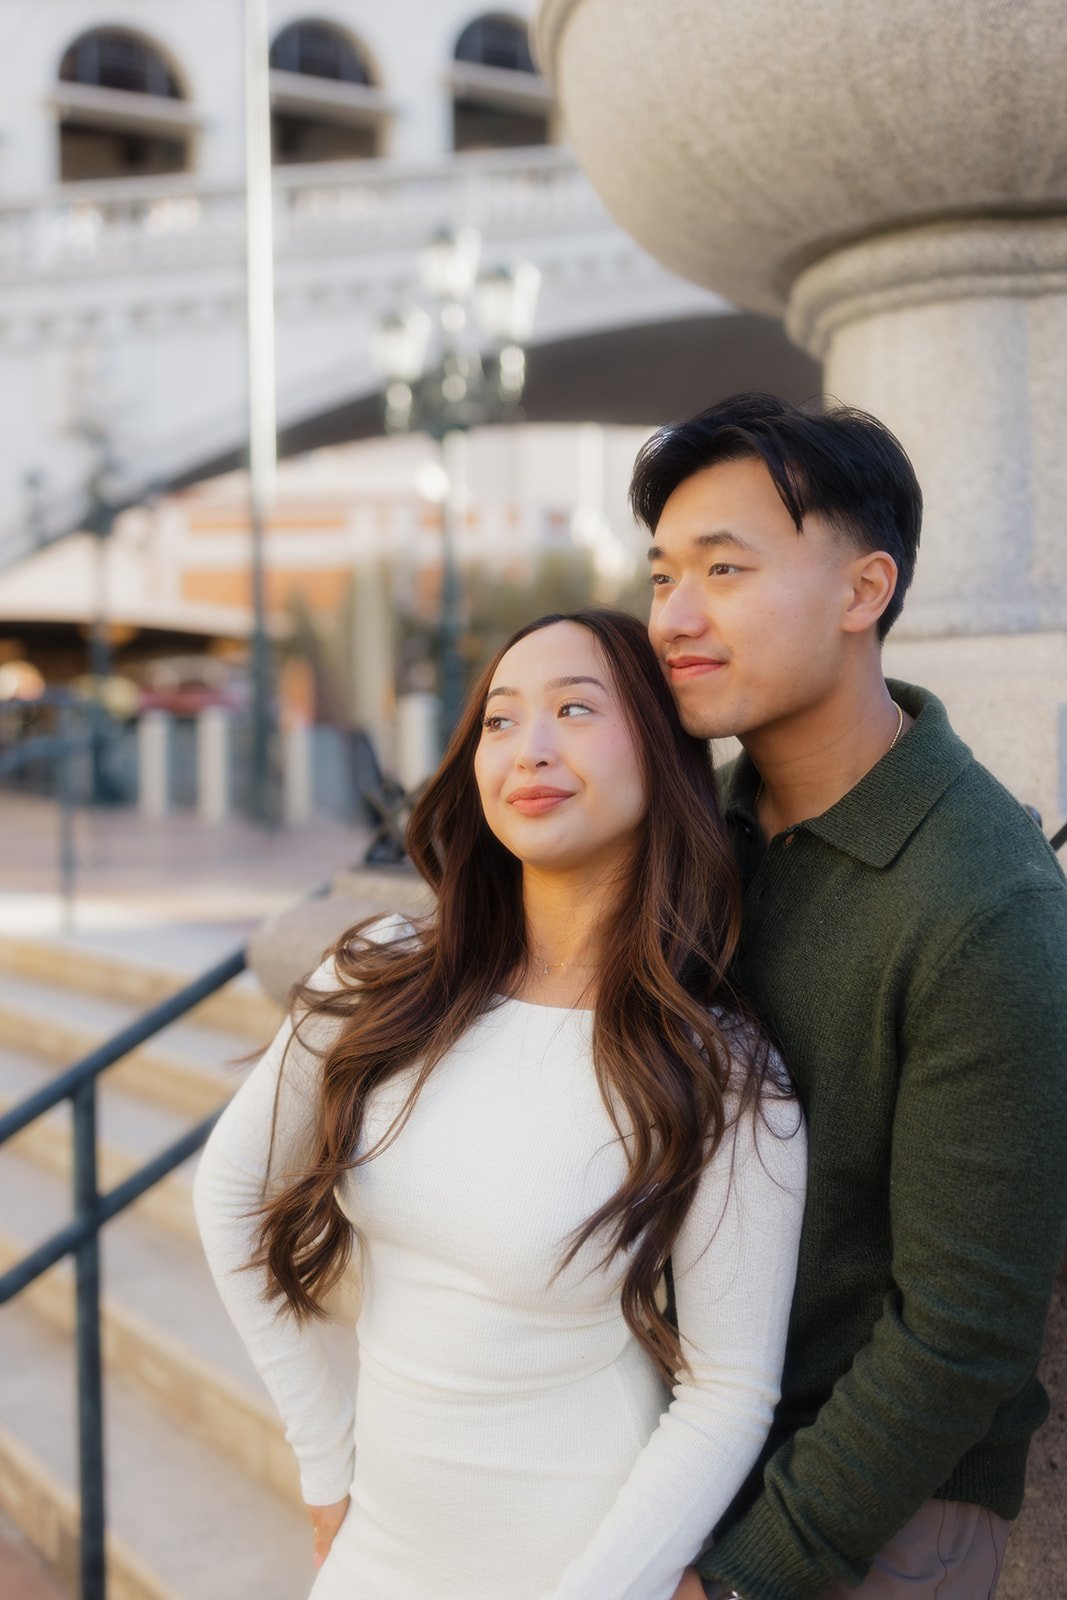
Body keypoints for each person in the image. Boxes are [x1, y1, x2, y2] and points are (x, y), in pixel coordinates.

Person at [193, 609, 806, 1600]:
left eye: (575, 709)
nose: (531, 748)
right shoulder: (381, 973)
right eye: (500, 719)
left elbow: (728, 1389)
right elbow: (230, 1194)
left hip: (576, 1562)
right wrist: (325, 1460)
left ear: (661, 752)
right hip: (371, 1561)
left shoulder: (718, 1064)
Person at [638, 392, 1067, 1600]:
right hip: (668, 1474)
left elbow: (963, 1329)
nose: (673, 616)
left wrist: (744, 1574)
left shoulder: (980, 900)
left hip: (863, 1524)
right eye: (661, 575)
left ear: (861, 590)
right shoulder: (690, 838)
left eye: (723, 569)